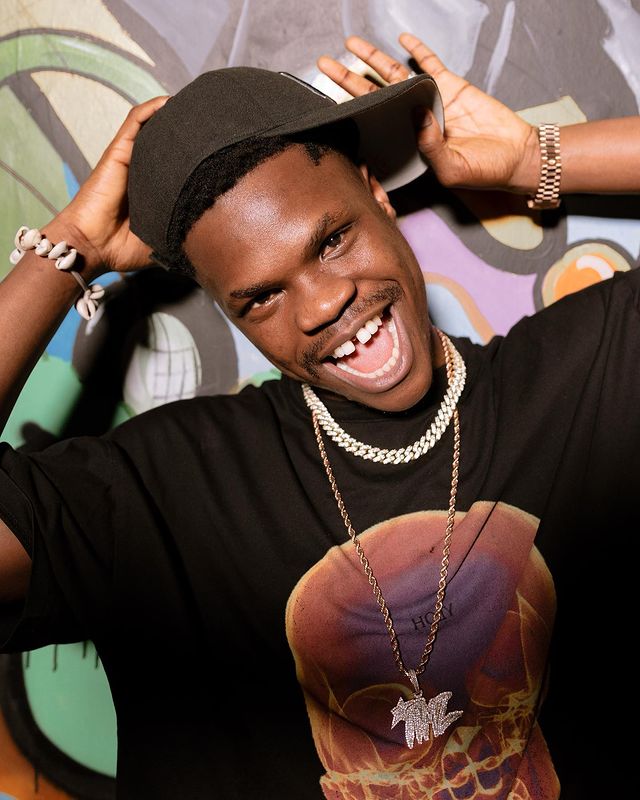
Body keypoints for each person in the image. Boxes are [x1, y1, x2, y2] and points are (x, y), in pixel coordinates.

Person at [0, 31, 638, 799]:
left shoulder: (588, 377)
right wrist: (67, 249)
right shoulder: (166, 493)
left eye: (332, 241)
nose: (324, 303)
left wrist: (538, 158)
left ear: (377, 194)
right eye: (262, 297)